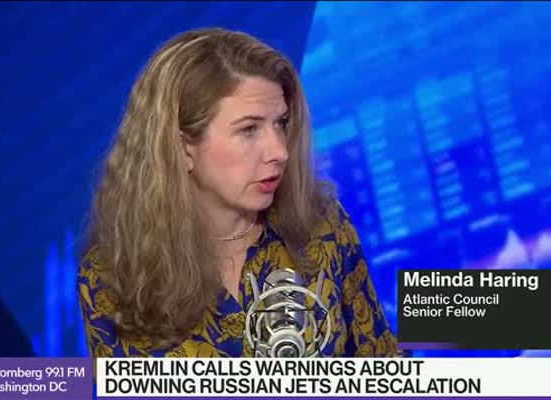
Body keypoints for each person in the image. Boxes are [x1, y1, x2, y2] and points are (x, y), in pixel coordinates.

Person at [77, 27, 399, 358]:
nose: (279, 151)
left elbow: (382, 363)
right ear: (181, 148)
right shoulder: (110, 279)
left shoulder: (323, 226)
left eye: (280, 124)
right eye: (249, 129)